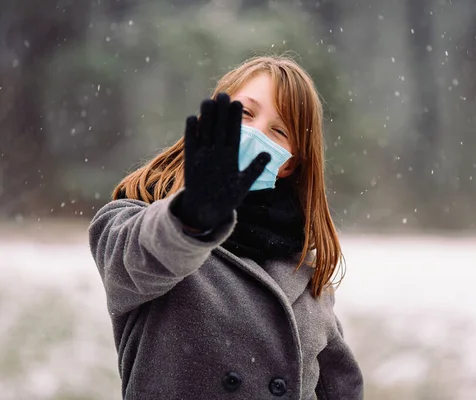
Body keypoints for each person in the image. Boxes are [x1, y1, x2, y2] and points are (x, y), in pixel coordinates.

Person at [89, 55, 364, 400]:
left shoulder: (304, 271)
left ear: (290, 165)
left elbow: (338, 387)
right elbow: (133, 262)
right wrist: (190, 217)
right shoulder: (132, 221)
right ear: (213, 120)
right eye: (246, 113)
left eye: (279, 131)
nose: (256, 133)